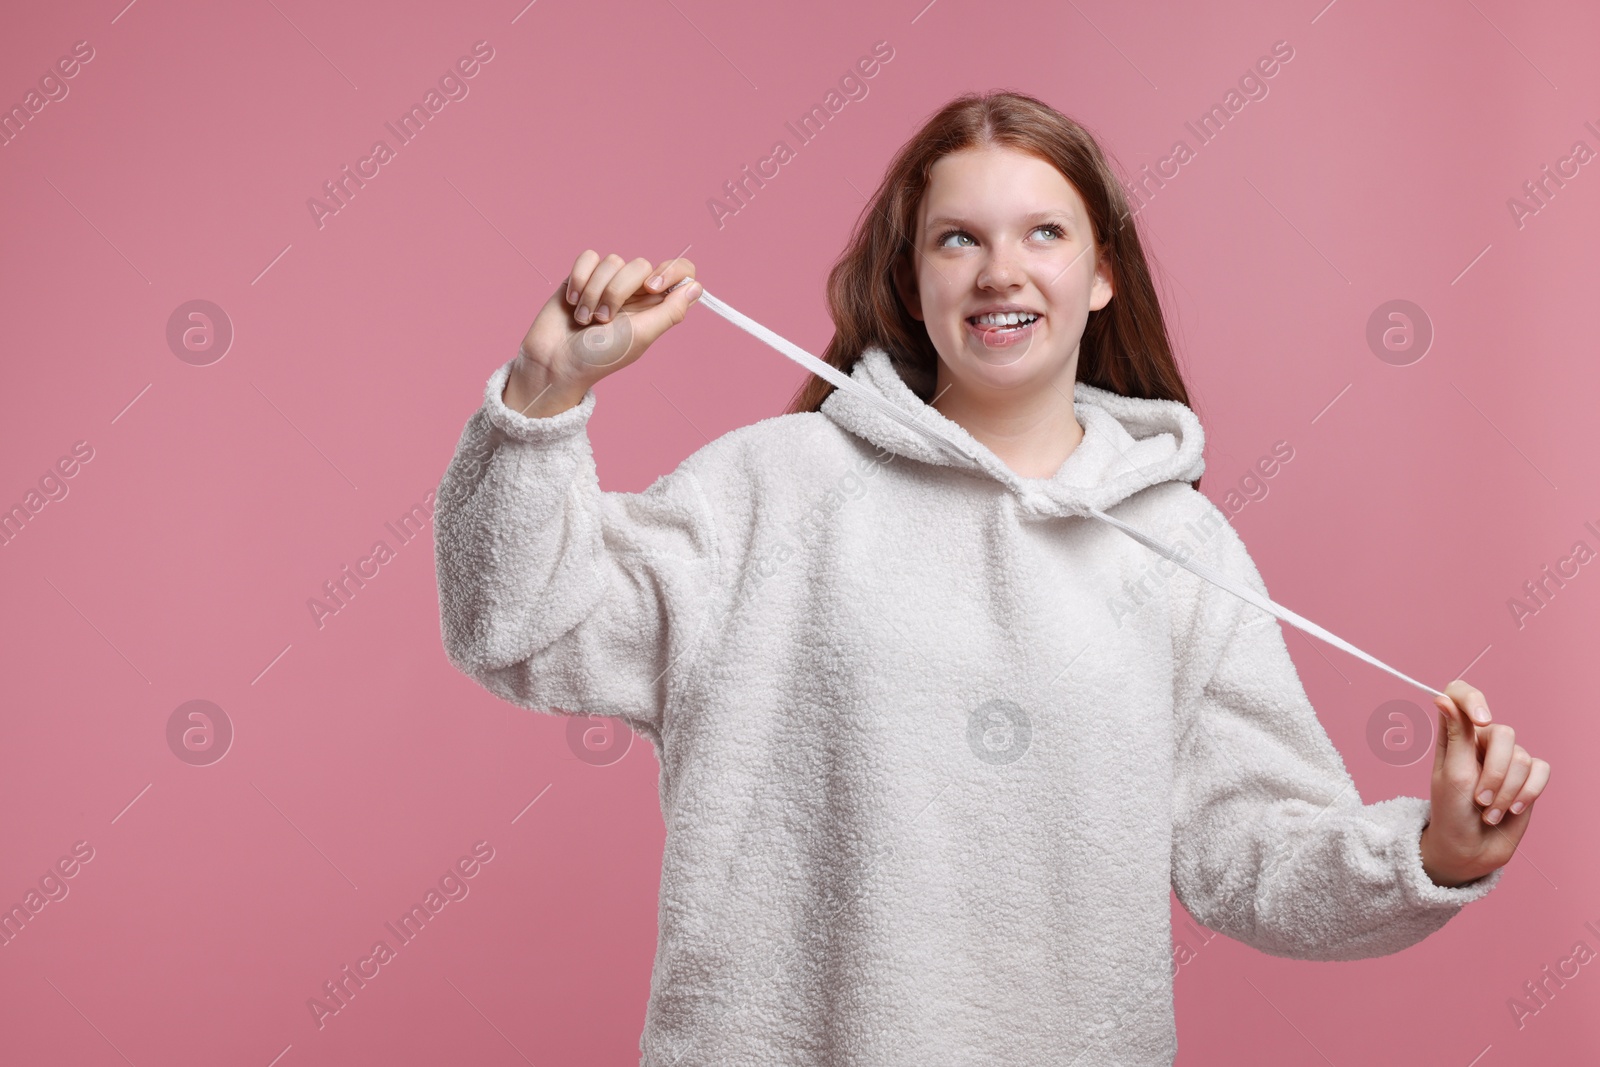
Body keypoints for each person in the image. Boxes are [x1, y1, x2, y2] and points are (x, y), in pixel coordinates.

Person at [432, 90, 1550, 1065]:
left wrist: (1428, 852)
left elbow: (1246, 848)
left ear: (1102, 273)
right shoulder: (771, 487)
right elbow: (524, 625)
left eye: (1043, 232)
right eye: (957, 239)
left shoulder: (1177, 543)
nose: (999, 270)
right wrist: (541, 397)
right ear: (911, 280)